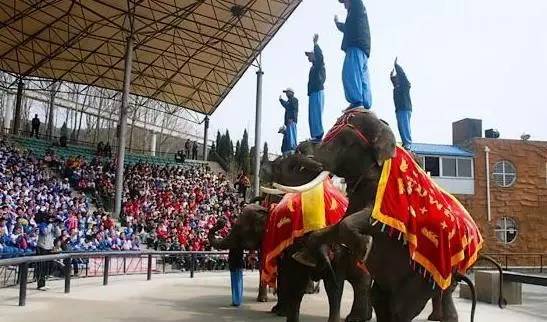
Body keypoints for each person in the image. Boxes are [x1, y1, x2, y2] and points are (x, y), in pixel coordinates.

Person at [335, 0, 372, 110]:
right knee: (362, 78)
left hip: (355, 47)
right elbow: (347, 28)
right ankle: (365, 104)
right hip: (363, 50)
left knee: (350, 73)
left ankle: (357, 102)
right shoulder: (356, 14)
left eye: (344, 2)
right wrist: (338, 24)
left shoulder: (356, 6)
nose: (344, 6)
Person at [306, 34, 326, 142]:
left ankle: (319, 135)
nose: (308, 57)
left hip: (318, 91)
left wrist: (315, 45)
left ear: (314, 55)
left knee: (316, 113)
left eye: (310, 55)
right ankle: (315, 136)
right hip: (312, 92)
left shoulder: (319, 65)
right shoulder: (312, 68)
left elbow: (320, 57)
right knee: (312, 115)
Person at [390, 58, 413, 150]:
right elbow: (394, 81)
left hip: (404, 108)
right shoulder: (397, 87)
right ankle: (405, 142)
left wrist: (396, 66)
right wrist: (391, 76)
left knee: (405, 126)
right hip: (399, 109)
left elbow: (402, 75)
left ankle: (407, 143)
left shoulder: (405, 85)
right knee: (401, 126)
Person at [36, 216, 62, 291]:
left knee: (46, 267)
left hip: (49, 248)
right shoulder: (42, 225)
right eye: (52, 220)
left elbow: (58, 234)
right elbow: (45, 232)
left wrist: (56, 226)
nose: (53, 222)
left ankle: (43, 284)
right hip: (42, 248)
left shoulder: (53, 226)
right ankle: (40, 285)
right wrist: (50, 225)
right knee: (41, 267)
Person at [279, 88, 298, 156]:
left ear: (291, 93)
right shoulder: (290, 100)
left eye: (287, 92)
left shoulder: (294, 99)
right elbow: (287, 105)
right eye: (286, 93)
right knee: (290, 135)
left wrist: (291, 118)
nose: (286, 94)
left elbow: (291, 108)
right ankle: (291, 148)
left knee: (292, 134)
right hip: (289, 121)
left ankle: (293, 148)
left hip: (291, 120)